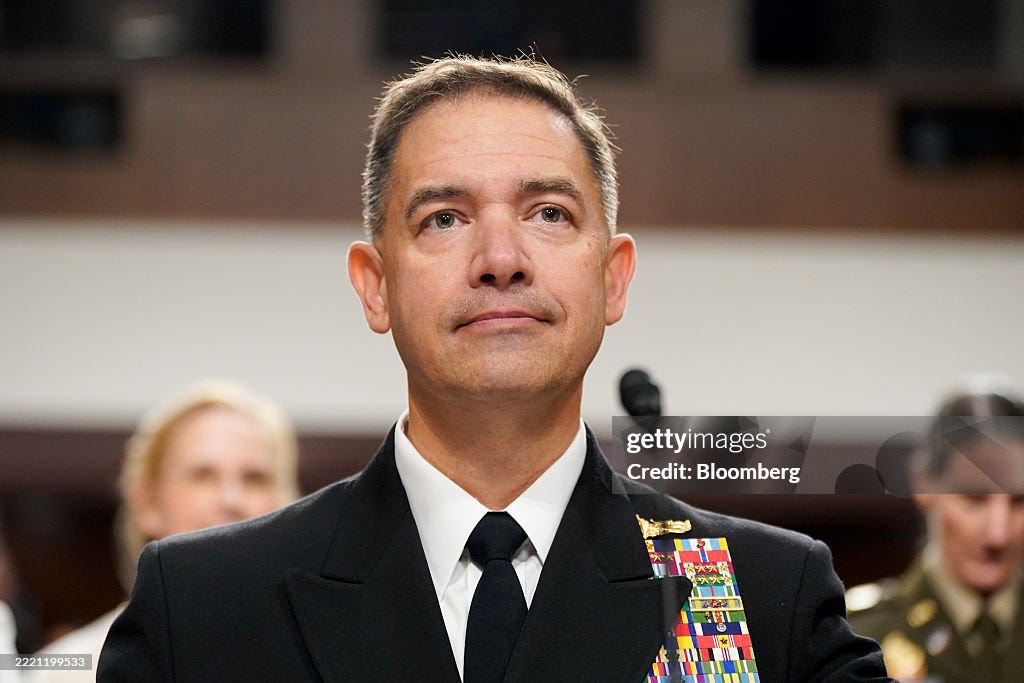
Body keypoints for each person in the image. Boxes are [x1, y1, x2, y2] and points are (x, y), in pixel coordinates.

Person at [99, 55, 888, 682]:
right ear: (375, 285)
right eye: (445, 218)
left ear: (613, 278)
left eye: (549, 212)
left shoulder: (764, 597)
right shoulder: (205, 606)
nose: (501, 260)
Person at [32, 379, 299, 682]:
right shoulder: (61, 669)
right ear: (147, 502)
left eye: (254, 478)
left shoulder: (322, 655)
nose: (231, 500)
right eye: (202, 475)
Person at [848, 377, 1024, 681]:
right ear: (925, 482)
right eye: (974, 499)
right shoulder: (858, 637)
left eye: (1020, 501)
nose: (999, 534)